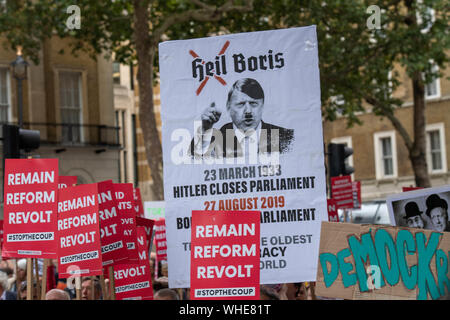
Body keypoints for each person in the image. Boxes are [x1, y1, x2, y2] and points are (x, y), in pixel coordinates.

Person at [191, 78, 294, 158]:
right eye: (241, 104)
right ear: (228, 107)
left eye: (253, 103)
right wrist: (204, 130)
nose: (248, 111)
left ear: (262, 105)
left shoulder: (285, 138)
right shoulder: (214, 139)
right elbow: (191, 169)